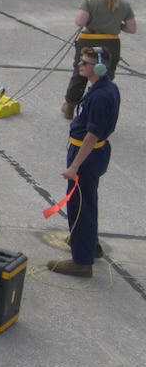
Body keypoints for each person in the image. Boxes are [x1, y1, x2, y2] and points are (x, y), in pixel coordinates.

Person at [51, 46, 120, 278]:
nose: (79, 65)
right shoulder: (106, 87)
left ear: (99, 67)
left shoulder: (100, 96)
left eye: (85, 62)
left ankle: (81, 261)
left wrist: (74, 166)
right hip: (93, 154)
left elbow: (92, 135)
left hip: (86, 156)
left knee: (79, 206)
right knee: (87, 201)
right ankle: (90, 244)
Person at [65, 0, 134, 118]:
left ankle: (70, 106)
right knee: (104, 77)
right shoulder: (125, 5)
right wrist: (116, 24)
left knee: (80, 74)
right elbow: (131, 29)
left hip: (89, 42)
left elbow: (80, 21)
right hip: (111, 43)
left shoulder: (89, 1)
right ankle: (97, 109)